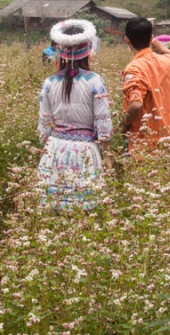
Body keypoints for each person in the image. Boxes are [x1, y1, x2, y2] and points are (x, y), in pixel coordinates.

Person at [37, 19, 113, 209]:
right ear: (87, 51)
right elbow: (103, 126)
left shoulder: (49, 82)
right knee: (84, 214)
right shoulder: (95, 81)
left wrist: (48, 144)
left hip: (54, 150)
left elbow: (43, 126)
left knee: (54, 210)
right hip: (85, 152)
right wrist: (106, 150)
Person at [120, 17, 170, 153]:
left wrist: (124, 126)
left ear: (127, 40)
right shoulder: (169, 62)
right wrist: (161, 48)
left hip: (147, 144)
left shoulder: (134, 68)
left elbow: (135, 104)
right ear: (151, 38)